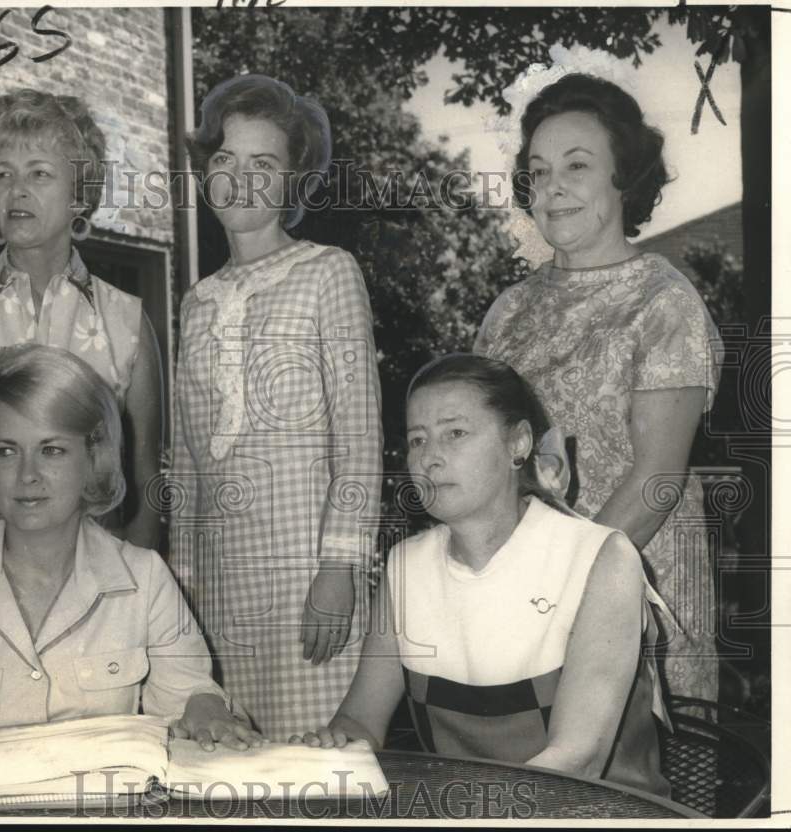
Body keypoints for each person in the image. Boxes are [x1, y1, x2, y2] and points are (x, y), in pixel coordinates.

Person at [0, 345, 261, 777]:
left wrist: (205, 707)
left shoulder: (145, 580)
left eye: (51, 450)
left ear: (93, 458)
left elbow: (189, 703)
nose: (27, 475)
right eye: (6, 451)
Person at [291, 354, 671, 798]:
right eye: (417, 440)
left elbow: (575, 761)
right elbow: (359, 723)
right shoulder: (405, 567)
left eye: (455, 433)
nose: (429, 458)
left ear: (519, 444)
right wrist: (335, 748)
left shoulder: (601, 558)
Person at [474, 73, 721, 702]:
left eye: (577, 165)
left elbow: (657, 479)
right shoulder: (507, 312)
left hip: (638, 598)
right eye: (539, 169)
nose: (552, 185)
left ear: (625, 177)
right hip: (520, 606)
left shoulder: (664, 301)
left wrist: (559, 586)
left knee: (640, 791)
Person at [169, 74, 383, 740]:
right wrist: (183, 586)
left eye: (263, 163)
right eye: (225, 159)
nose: (240, 177)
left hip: (307, 577)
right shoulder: (195, 301)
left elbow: (360, 437)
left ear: (294, 182)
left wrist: (340, 568)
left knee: (317, 771)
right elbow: (184, 463)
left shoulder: (328, 272)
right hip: (222, 590)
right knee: (231, 770)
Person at [0, 88, 161, 572]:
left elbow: (148, 482)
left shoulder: (126, 323)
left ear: (78, 194)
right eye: (3, 175)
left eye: (40, 173)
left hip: (93, 593)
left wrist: (134, 595)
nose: (17, 191)